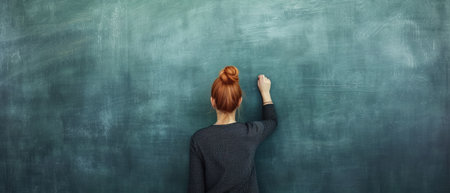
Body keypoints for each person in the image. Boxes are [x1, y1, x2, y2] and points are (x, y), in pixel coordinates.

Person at [188, 65, 278, 193]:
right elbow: (272, 121)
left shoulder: (199, 139)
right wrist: (265, 92)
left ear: (212, 102)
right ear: (239, 101)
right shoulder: (251, 132)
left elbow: (195, 189)